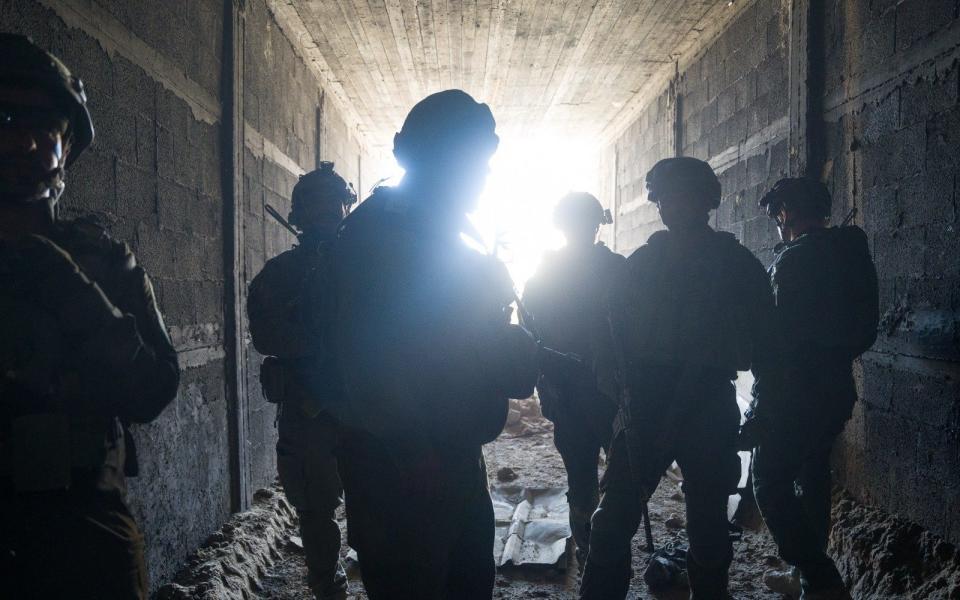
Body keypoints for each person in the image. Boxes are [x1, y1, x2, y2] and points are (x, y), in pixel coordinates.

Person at [331, 89, 538, 599]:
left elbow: (458, 343)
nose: (483, 177)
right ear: (439, 159)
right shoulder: (378, 236)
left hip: (451, 456)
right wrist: (414, 456)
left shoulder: (442, 234)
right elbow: (366, 364)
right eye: (474, 163)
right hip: (402, 469)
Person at [0, 34, 180, 599]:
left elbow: (152, 389)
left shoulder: (103, 262)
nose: (20, 140)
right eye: (3, 117)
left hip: (82, 530)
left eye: (40, 122)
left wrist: (69, 286)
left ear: (67, 141)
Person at [579, 157, 774, 600]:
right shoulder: (641, 265)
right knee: (610, 524)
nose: (672, 205)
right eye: (665, 197)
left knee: (707, 528)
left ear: (706, 201)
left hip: (707, 402)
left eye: (683, 195)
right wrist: (614, 385)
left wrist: (762, 409)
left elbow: (768, 346)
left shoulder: (736, 265)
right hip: (645, 404)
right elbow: (606, 336)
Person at [742, 177, 878, 600]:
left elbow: (776, 347)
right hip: (835, 391)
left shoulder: (793, 262)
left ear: (787, 212)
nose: (776, 224)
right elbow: (863, 332)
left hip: (791, 397)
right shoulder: (851, 255)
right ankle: (808, 582)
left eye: (776, 215)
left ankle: (819, 577)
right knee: (812, 476)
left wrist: (760, 411)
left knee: (768, 480)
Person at [247, 162, 356, 600]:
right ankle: (327, 584)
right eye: (319, 207)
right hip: (311, 403)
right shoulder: (281, 276)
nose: (326, 215)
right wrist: (317, 338)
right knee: (315, 506)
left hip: (361, 401)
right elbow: (266, 336)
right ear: (299, 216)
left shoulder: (365, 270)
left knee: (372, 501)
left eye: (332, 205)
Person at [522, 191, 623, 568]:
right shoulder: (616, 270)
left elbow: (531, 337)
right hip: (588, 396)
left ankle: (595, 554)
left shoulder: (548, 274)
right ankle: (599, 556)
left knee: (591, 483)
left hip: (590, 395)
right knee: (597, 483)